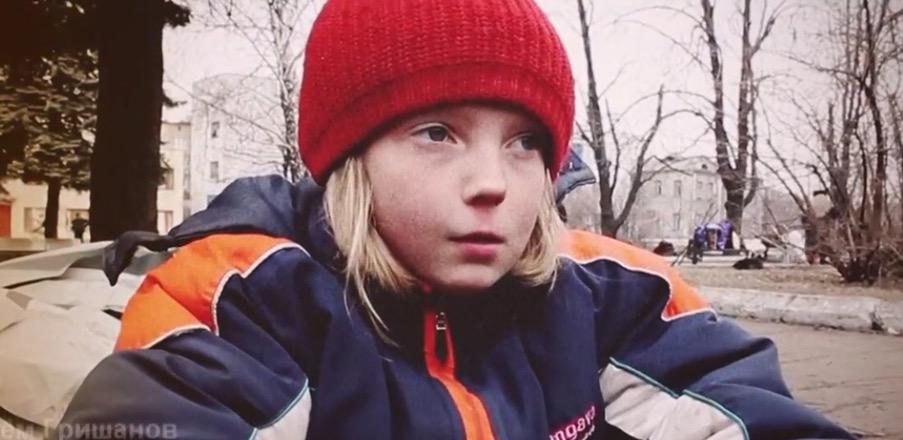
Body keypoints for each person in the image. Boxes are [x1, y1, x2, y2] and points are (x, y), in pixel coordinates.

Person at [59, 1, 853, 439]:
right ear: (351, 159)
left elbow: (741, 408)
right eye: (437, 132)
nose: (492, 184)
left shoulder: (610, 293)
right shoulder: (244, 301)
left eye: (525, 143)